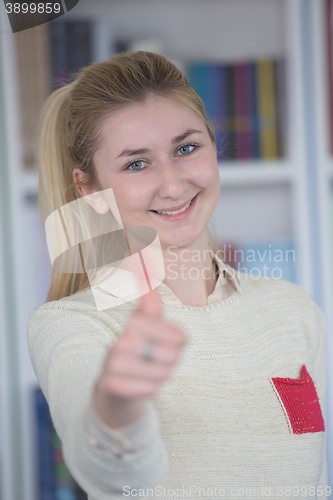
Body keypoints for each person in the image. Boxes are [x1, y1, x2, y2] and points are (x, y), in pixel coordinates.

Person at [28, 51, 329, 500]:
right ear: (89, 190)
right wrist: (118, 406)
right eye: (136, 163)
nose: (172, 184)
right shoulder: (74, 324)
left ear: (213, 145)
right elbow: (111, 476)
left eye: (186, 148)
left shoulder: (293, 309)